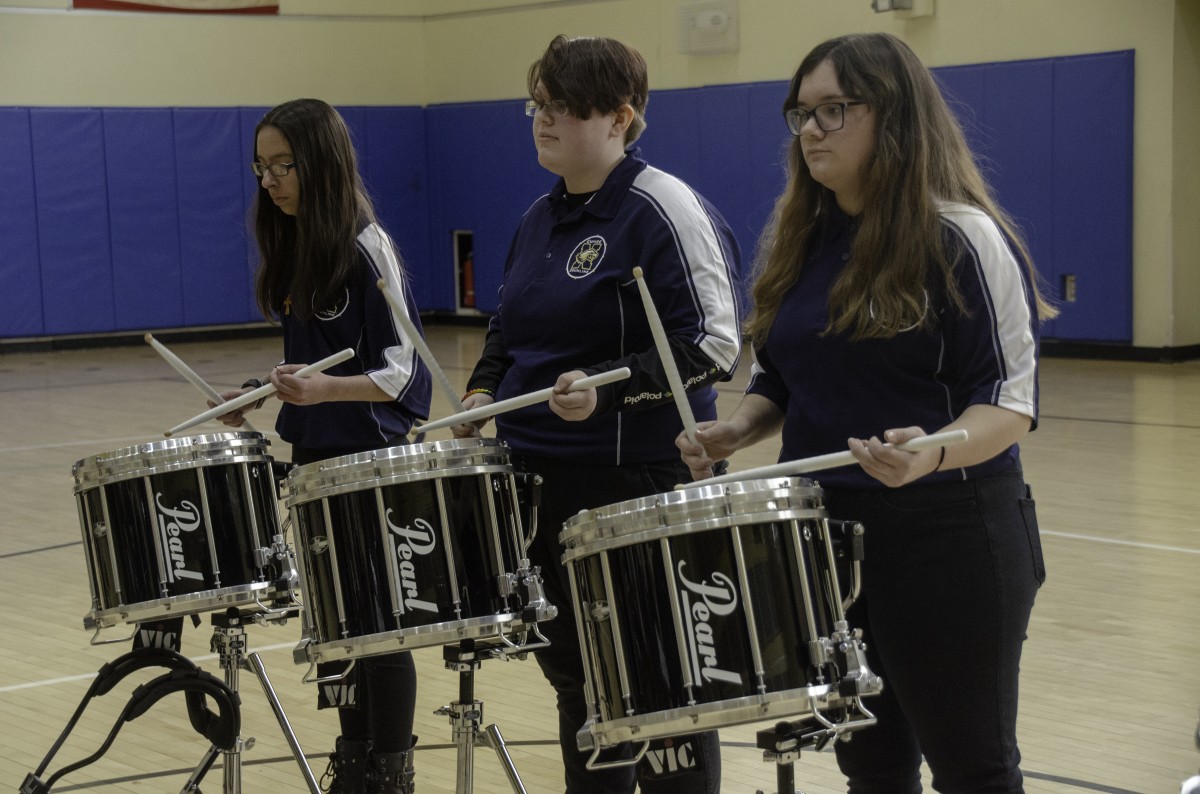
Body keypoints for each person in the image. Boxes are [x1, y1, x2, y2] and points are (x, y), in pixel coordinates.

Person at [677, 32, 1055, 793]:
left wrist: (933, 450)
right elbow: (781, 380)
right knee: (872, 768)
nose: (811, 129)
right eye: (802, 112)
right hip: (825, 543)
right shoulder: (800, 242)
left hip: (950, 536)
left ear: (896, 117)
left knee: (972, 767)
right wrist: (737, 428)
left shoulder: (962, 237)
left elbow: (1011, 404)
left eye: (834, 110)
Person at [451, 34, 741, 794]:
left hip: (636, 484)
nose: (543, 121)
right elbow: (506, 331)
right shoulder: (535, 220)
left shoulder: (661, 207)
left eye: (563, 107)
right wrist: (482, 392)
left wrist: (609, 388)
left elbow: (715, 343)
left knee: (660, 686)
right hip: (539, 484)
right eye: (537, 104)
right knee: (580, 686)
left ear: (620, 116)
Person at [215, 98, 431, 794]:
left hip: (368, 464)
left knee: (378, 628)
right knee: (337, 627)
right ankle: (354, 759)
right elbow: (311, 367)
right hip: (315, 464)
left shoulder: (367, 245)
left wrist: (321, 392)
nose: (272, 181)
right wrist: (261, 391)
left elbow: (405, 373)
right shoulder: (295, 248)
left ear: (323, 163)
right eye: (262, 167)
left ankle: (389, 771)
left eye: (285, 165)